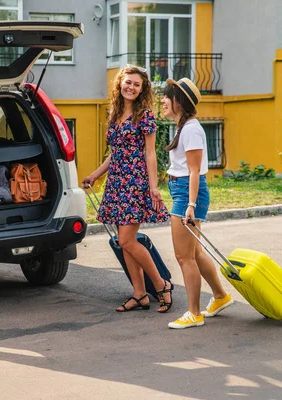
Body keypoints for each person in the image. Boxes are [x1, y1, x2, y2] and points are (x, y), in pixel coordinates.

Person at [83, 65, 172, 313]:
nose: (131, 87)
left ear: (142, 90)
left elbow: (151, 153)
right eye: (128, 82)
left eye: (136, 84)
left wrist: (153, 187)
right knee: (125, 242)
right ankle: (139, 294)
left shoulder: (145, 115)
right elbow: (116, 154)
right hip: (116, 183)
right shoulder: (116, 113)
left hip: (135, 183)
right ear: (120, 83)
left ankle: (161, 284)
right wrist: (95, 175)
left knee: (126, 240)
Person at [161, 78, 233, 329]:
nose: (162, 100)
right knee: (195, 253)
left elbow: (194, 171)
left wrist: (190, 205)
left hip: (187, 193)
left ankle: (194, 313)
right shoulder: (185, 126)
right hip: (184, 190)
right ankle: (221, 297)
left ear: (179, 102)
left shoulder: (190, 129)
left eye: (167, 97)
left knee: (184, 257)